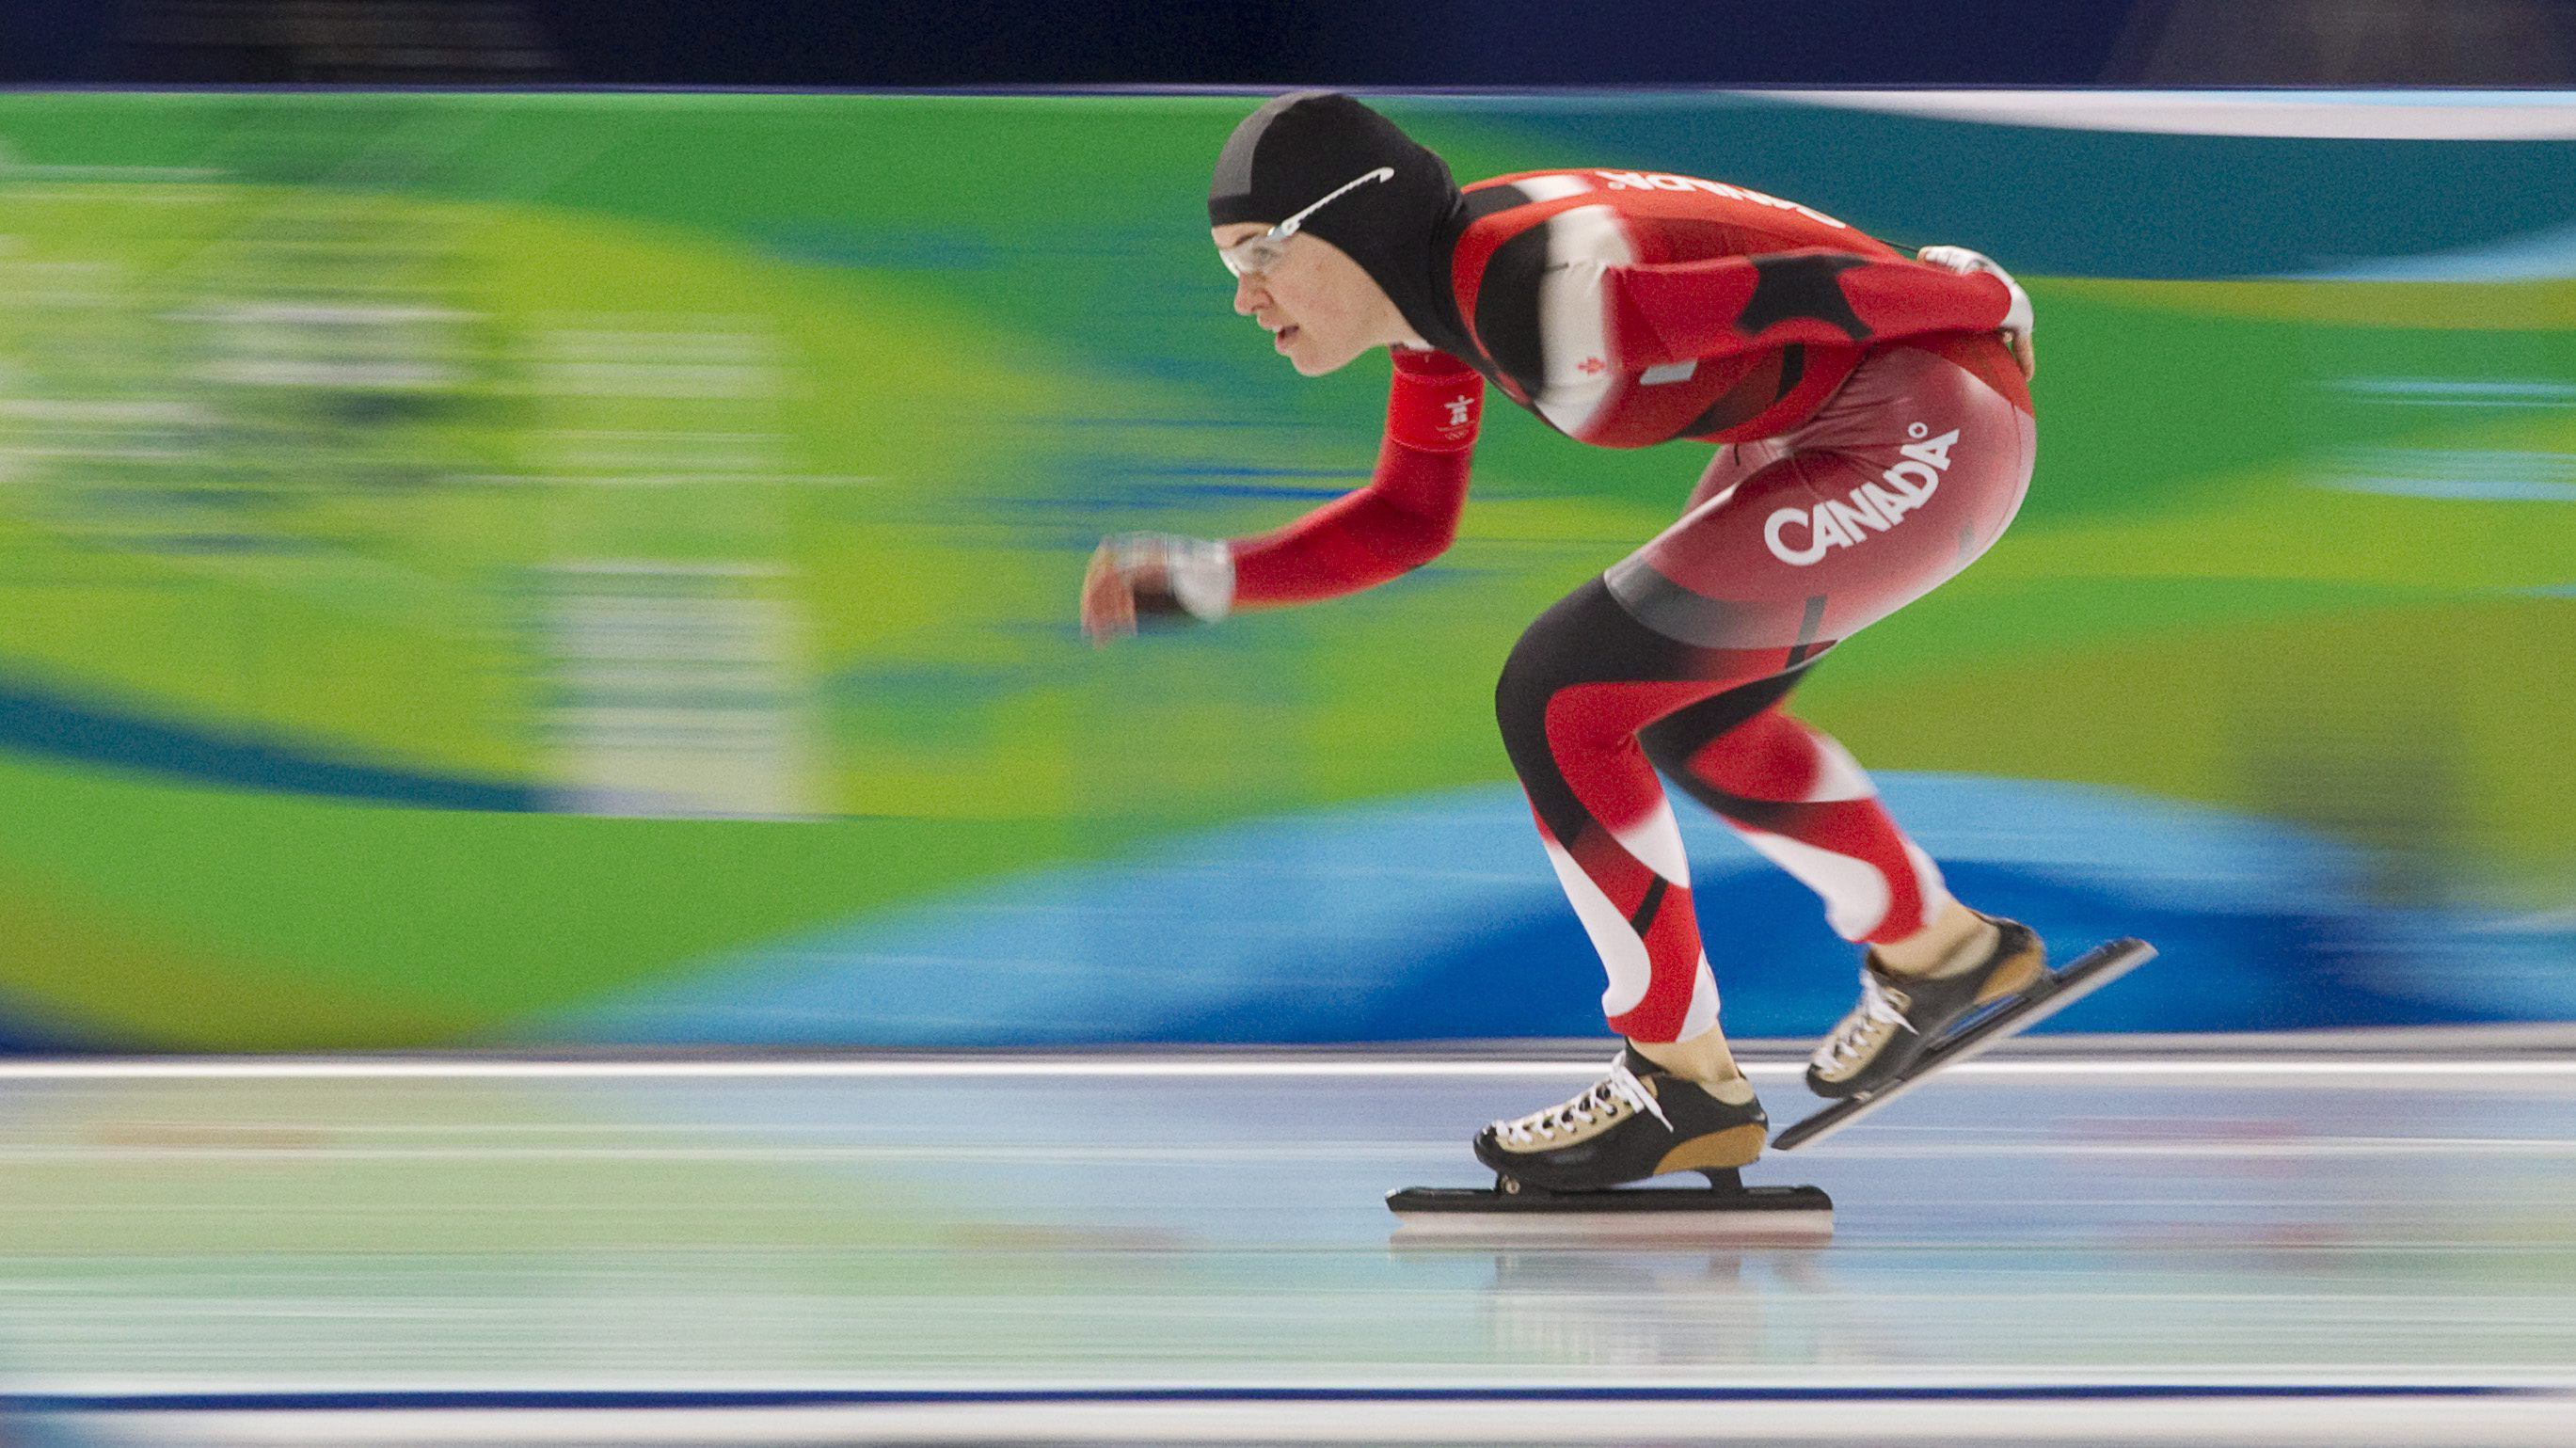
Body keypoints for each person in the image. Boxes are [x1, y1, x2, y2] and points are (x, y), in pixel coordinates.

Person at [1081, 91, 2046, 1194]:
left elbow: (1805, 292)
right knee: (1681, 719)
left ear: (1354, 226)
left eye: (1259, 253)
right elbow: (1407, 521)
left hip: (1931, 422)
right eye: (1227, 266)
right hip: (1844, 420)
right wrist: (1202, 580)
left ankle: (1678, 1080)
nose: (1244, 296)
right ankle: (1941, 953)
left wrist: (1979, 293)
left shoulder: (1541, 297)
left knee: (1564, 693)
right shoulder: (1440, 296)